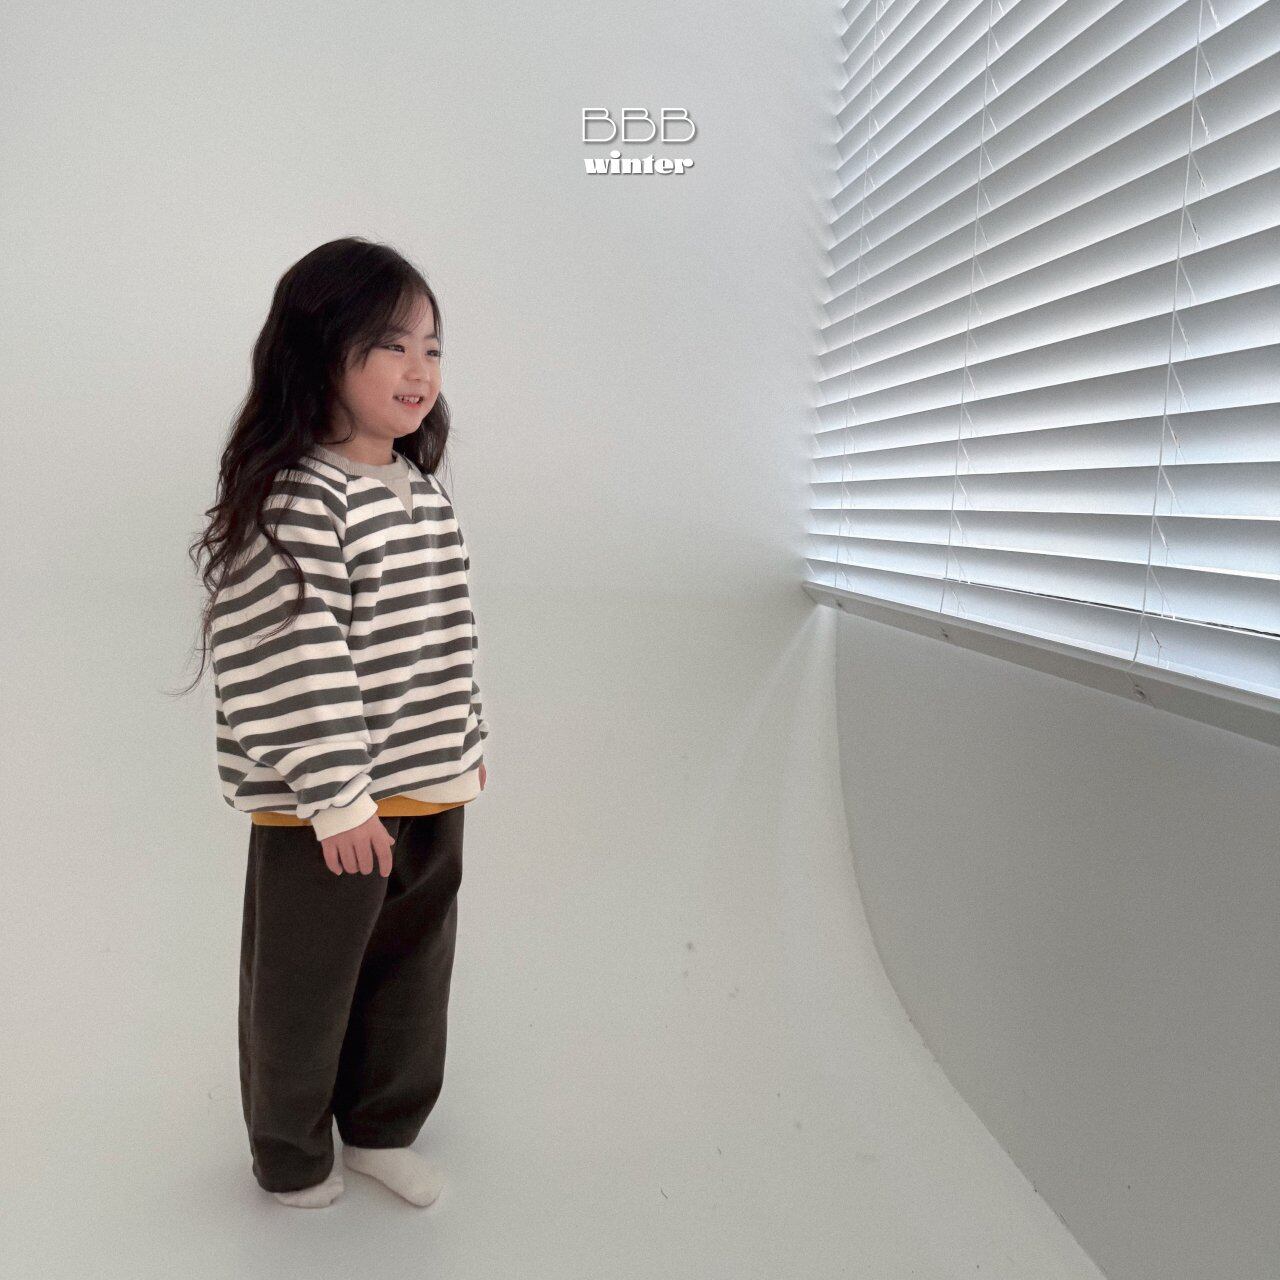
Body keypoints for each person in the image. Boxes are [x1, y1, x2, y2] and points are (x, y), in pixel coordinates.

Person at [184, 237, 490, 1208]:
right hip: (330, 810)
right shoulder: (296, 500)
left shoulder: (423, 494)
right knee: (305, 984)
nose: (419, 368)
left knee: (411, 971)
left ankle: (381, 1126)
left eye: (432, 347)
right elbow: (286, 659)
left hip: (426, 785)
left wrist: (465, 746)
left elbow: (447, 636)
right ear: (321, 352)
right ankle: (290, 1151)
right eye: (391, 344)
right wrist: (337, 797)